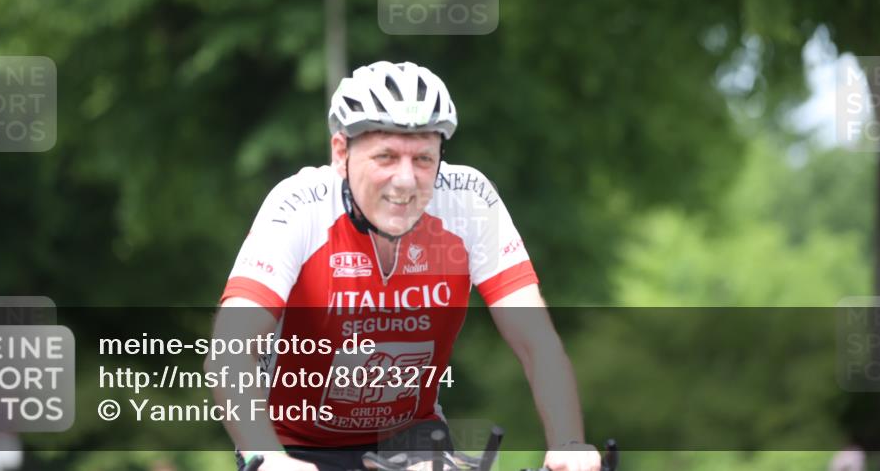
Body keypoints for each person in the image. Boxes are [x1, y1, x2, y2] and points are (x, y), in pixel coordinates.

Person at [210, 62, 601, 471]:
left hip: (412, 440)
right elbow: (230, 348)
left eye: (423, 159)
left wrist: (569, 443)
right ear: (341, 153)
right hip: (291, 443)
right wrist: (266, 456)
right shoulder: (299, 206)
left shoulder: (468, 202)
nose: (405, 180)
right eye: (386, 156)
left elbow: (535, 340)